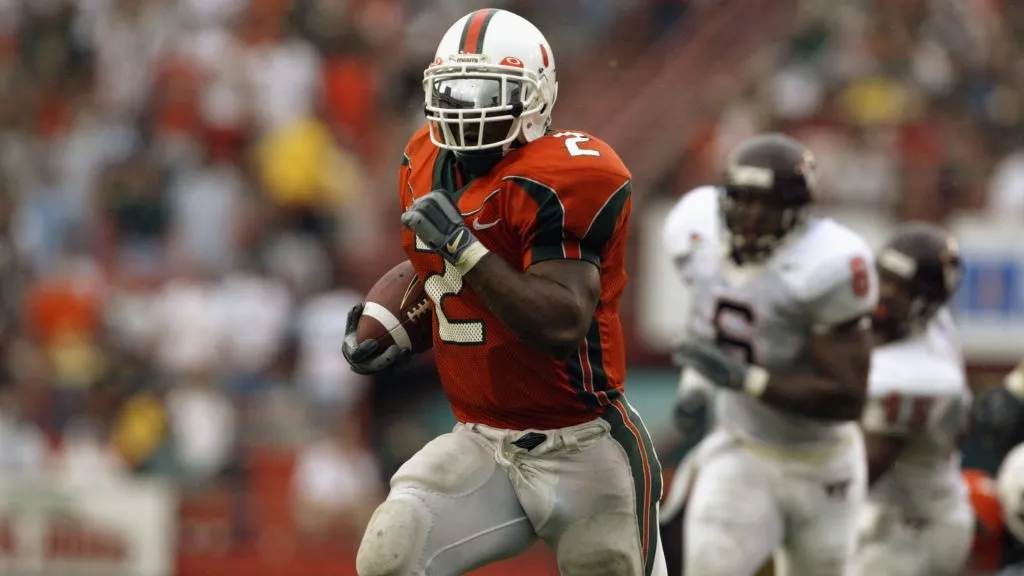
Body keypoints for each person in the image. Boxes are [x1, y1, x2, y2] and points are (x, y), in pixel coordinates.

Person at [342, 8, 666, 576]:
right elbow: (439, 269)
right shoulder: (422, 160)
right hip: (481, 441)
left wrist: (463, 248)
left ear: (536, 97)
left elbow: (561, 322)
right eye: (455, 91)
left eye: (486, 91)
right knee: (391, 552)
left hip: (585, 445)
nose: (468, 108)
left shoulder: (566, 176)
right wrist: (397, 324)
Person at [667, 133, 877, 575]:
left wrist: (747, 380)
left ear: (798, 214)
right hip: (742, 448)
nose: (753, 215)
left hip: (823, 464)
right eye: (744, 198)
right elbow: (707, 333)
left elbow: (846, 398)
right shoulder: (696, 230)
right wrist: (697, 384)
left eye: (770, 204)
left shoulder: (828, 265)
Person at [853, 222, 974, 576]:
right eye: (882, 276)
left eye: (897, 288)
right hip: (893, 513)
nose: (882, 292)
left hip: (915, 527)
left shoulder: (919, 371)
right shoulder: (927, 323)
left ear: (925, 302)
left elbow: (868, 465)